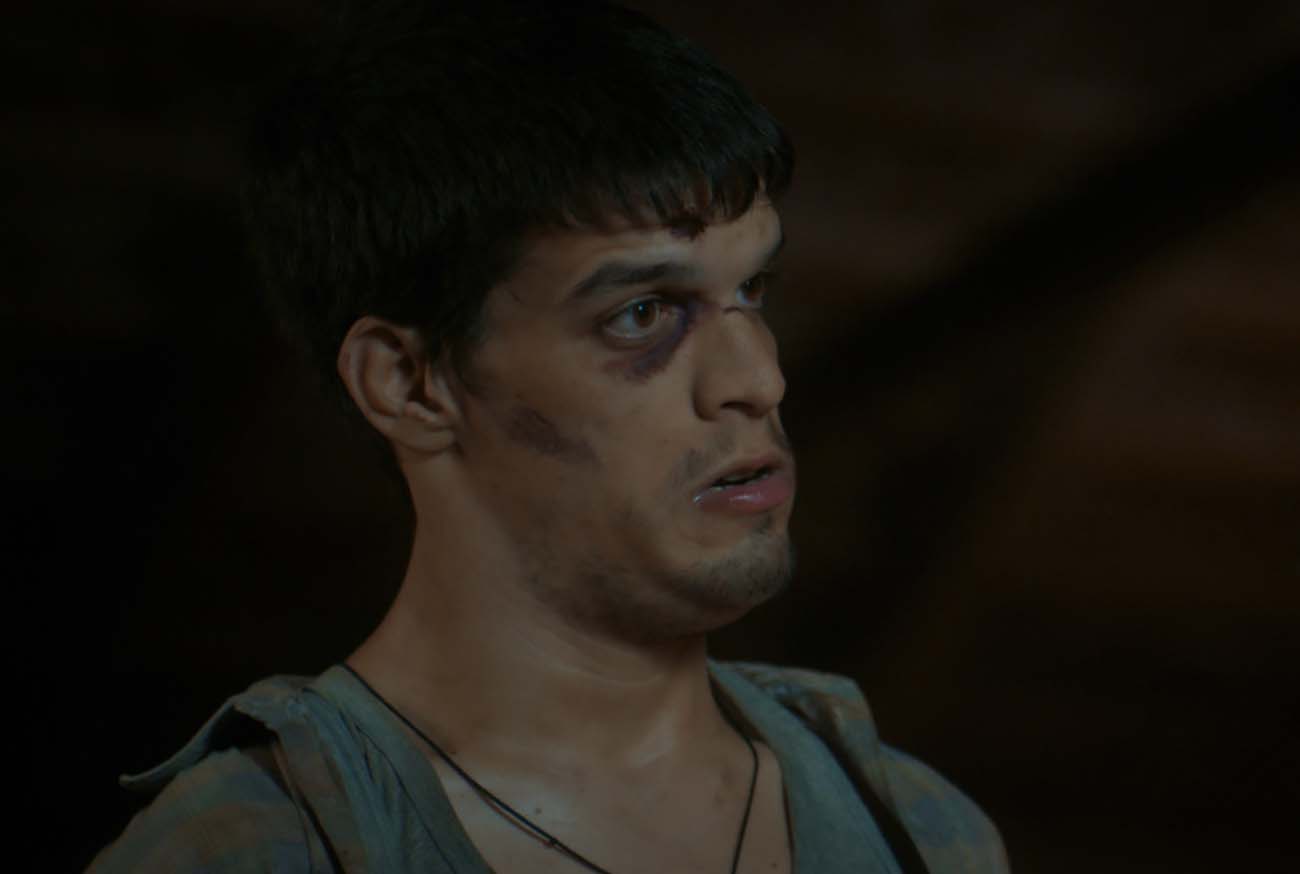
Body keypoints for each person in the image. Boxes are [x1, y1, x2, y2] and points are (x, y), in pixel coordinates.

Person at [90, 1, 1009, 871]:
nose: (758, 378)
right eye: (642, 312)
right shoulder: (254, 849)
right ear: (408, 383)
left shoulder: (923, 835)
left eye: (752, 290)